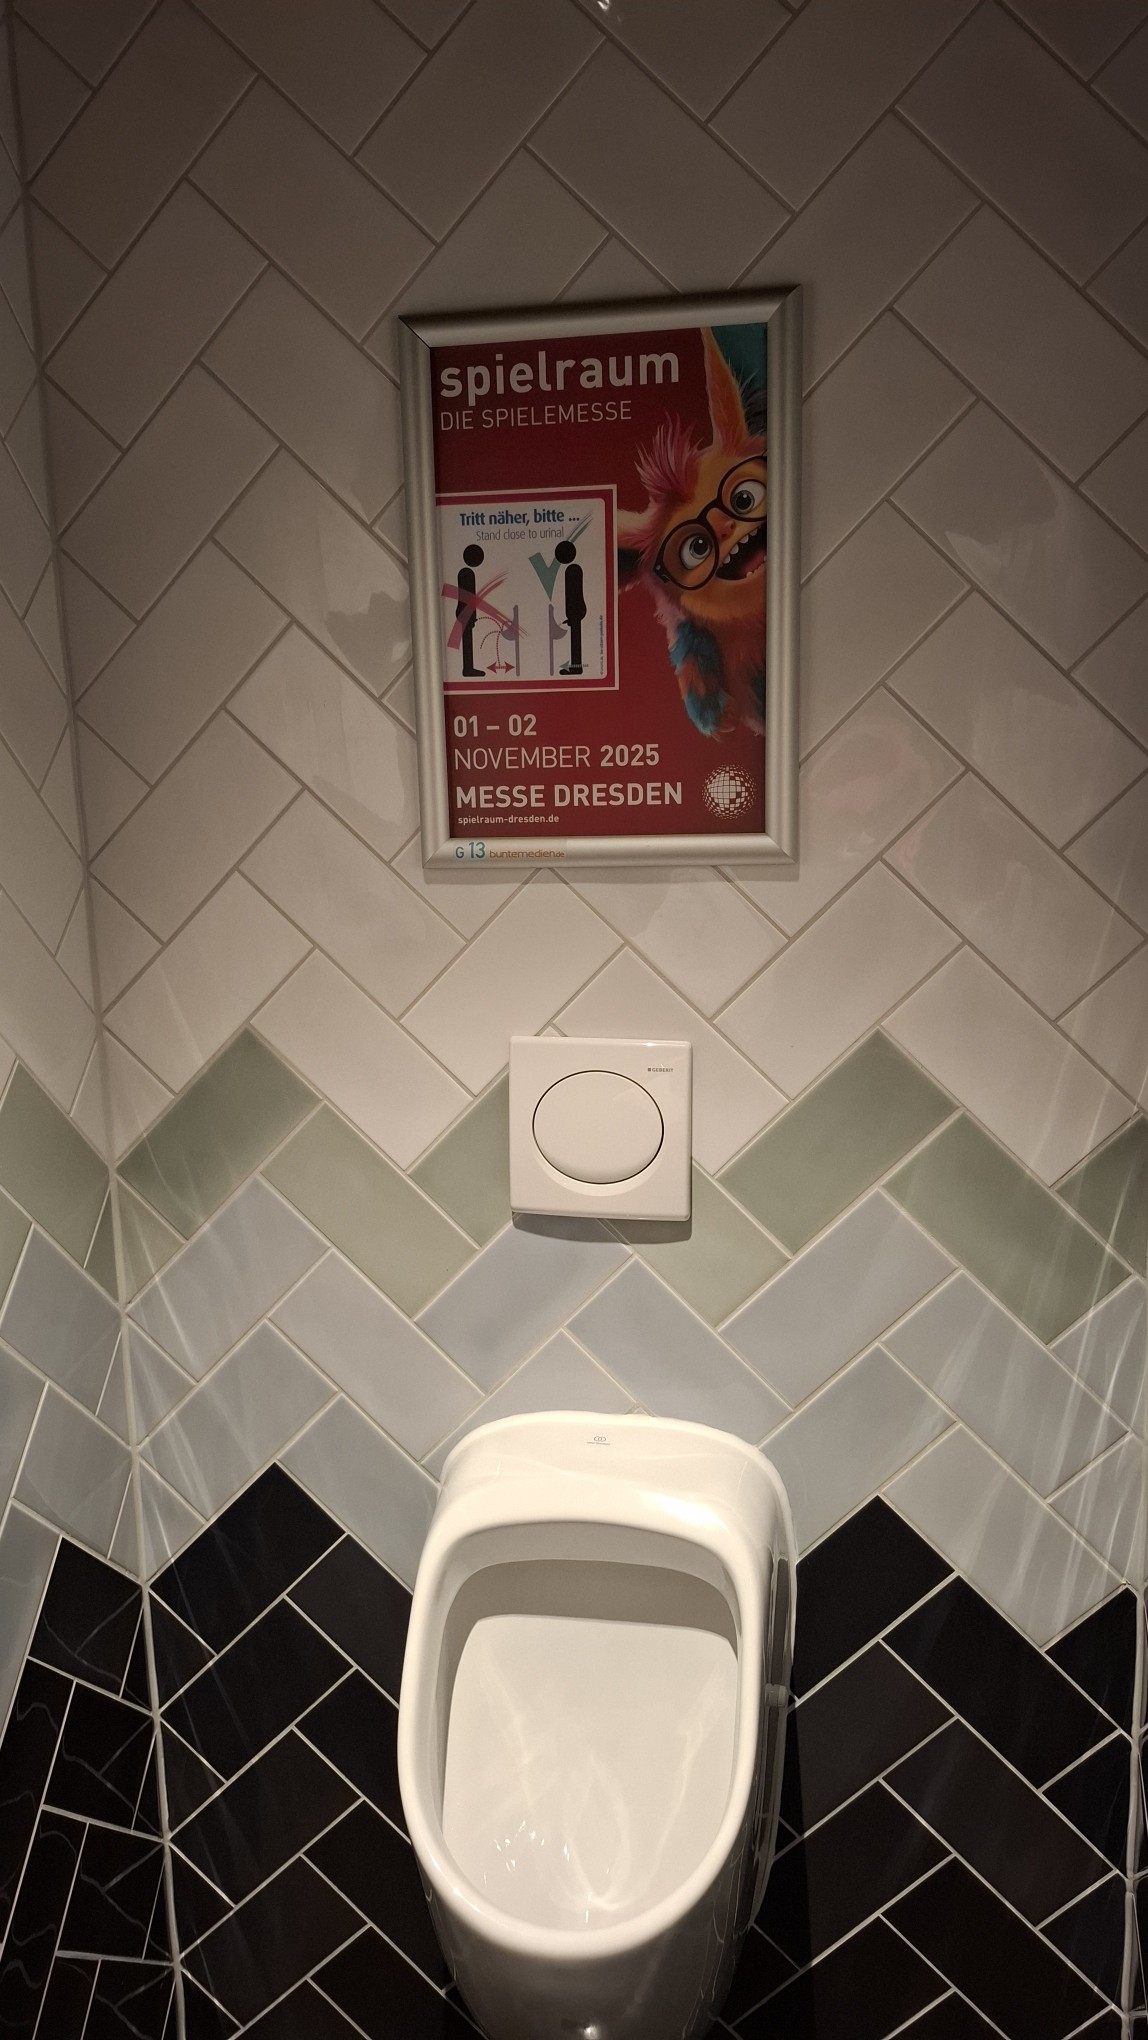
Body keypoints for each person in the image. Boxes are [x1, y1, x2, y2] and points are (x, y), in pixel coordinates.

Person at [556, 539, 585, 675]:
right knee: (575, 639)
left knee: (575, 640)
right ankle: (576, 666)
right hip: (575, 611)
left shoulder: (572, 570)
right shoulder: (573, 569)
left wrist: (573, 614)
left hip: (576, 611)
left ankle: (576, 666)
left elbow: (574, 594)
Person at [457, 543, 485, 676]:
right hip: (465, 612)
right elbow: (468, 597)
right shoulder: (467, 573)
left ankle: (468, 668)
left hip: (465, 611)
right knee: (467, 639)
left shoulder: (466, 573)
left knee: (467, 638)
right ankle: (468, 668)